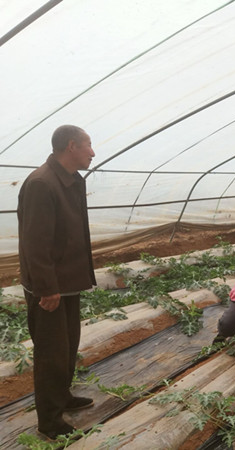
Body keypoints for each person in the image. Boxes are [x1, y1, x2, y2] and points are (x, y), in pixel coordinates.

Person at [18, 125, 97, 439]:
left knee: (67, 347)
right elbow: (35, 243)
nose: (93, 152)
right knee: (51, 352)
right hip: (51, 288)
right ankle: (49, 422)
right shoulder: (42, 183)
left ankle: (62, 397)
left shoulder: (71, 181)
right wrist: (46, 288)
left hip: (69, 282)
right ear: (72, 146)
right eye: (89, 146)